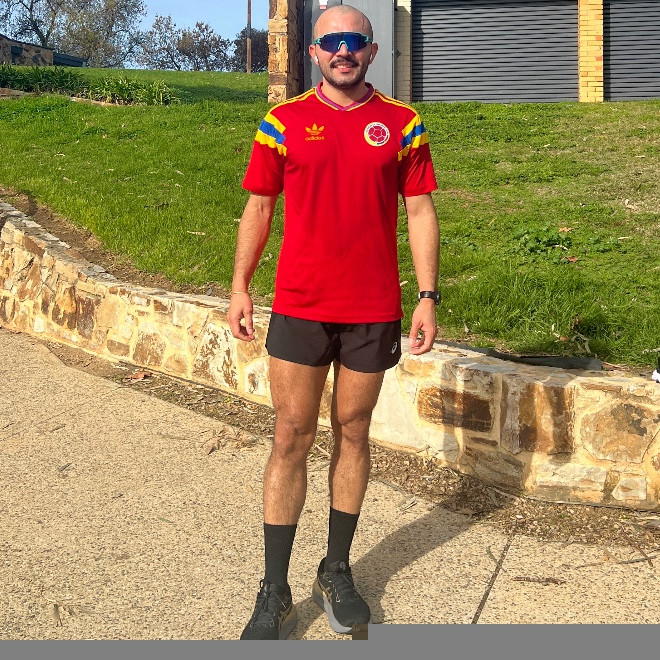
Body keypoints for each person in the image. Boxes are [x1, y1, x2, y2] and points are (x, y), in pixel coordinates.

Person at [228, 4, 440, 640]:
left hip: (373, 309)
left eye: (355, 40)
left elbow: (420, 211)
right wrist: (240, 287)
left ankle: (336, 569)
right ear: (313, 52)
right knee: (291, 433)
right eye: (331, 41)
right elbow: (259, 207)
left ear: (371, 51)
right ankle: (274, 588)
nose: (343, 50)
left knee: (354, 431)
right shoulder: (283, 122)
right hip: (301, 304)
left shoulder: (402, 124)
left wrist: (427, 296)